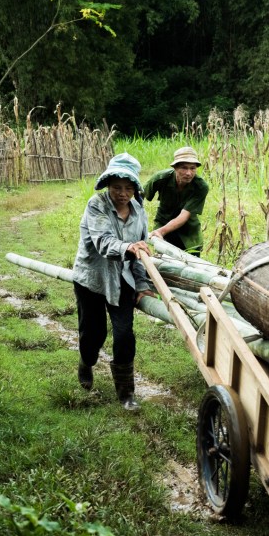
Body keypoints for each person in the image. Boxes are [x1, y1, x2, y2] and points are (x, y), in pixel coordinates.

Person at [72, 153, 155, 411]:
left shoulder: (139, 211)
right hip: (92, 279)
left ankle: (126, 393)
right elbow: (103, 243)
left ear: (135, 189)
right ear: (108, 185)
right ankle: (86, 362)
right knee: (93, 333)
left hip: (123, 280)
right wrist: (128, 246)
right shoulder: (96, 205)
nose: (122, 193)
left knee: (124, 335)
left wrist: (142, 285)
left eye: (128, 188)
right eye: (117, 187)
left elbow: (141, 253)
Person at [143, 146, 209, 255]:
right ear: (175, 167)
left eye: (192, 168)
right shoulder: (160, 179)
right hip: (163, 222)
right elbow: (138, 196)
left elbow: (184, 216)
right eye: (184, 168)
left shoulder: (201, 187)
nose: (189, 173)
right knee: (163, 261)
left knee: (191, 263)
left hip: (188, 231)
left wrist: (160, 232)